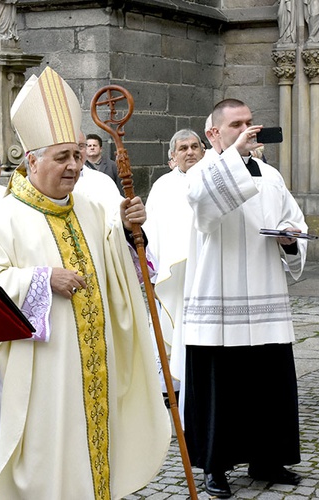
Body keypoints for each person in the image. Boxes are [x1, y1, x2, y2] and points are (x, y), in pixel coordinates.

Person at [0, 66, 171, 500]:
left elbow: (119, 274)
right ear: (31, 160)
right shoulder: (2, 219)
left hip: (92, 369)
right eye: (61, 157)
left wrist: (127, 233)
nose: (73, 166)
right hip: (40, 375)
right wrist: (41, 280)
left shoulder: (91, 208)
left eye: (76, 156)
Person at [177, 98, 307, 498]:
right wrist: (234, 155)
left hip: (266, 298)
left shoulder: (271, 175)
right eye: (237, 125)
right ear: (214, 133)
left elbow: (295, 220)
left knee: (268, 385)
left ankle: (268, 458)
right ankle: (215, 466)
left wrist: (289, 238)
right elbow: (205, 206)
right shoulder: (201, 174)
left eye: (250, 123)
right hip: (220, 300)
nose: (248, 130)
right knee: (221, 390)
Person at [143, 129, 204, 393]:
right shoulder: (163, 186)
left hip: (207, 270)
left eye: (194, 147)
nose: (190, 152)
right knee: (173, 325)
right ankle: (173, 386)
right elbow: (152, 230)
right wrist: (154, 271)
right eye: (183, 148)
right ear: (173, 156)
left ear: (203, 150)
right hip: (175, 274)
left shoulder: (213, 178)